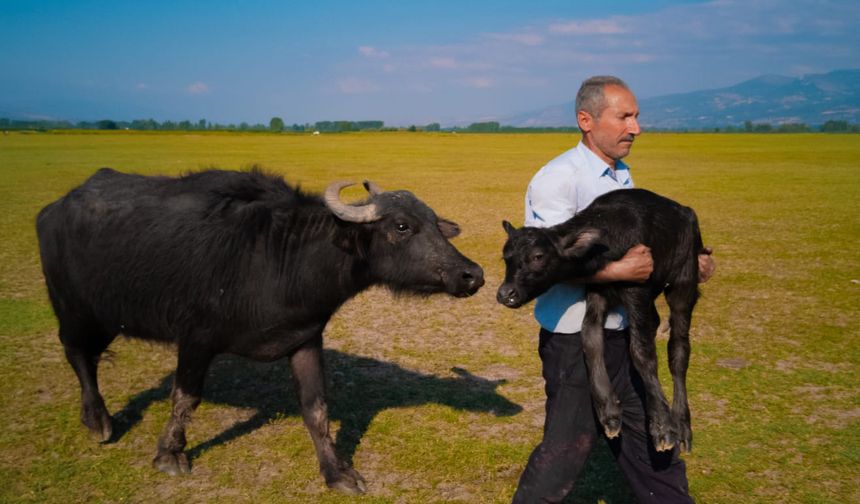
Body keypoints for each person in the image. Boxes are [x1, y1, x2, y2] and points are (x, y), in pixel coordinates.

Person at [512, 75, 715, 503]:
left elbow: (641, 254)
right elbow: (540, 265)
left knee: (653, 444)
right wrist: (621, 270)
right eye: (624, 117)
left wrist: (685, 262)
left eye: (636, 117)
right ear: (586, 120)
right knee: (565, 452)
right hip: (574, 341)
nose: (635, 128)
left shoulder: (620, 176)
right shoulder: (558, 179)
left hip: (627, 333)